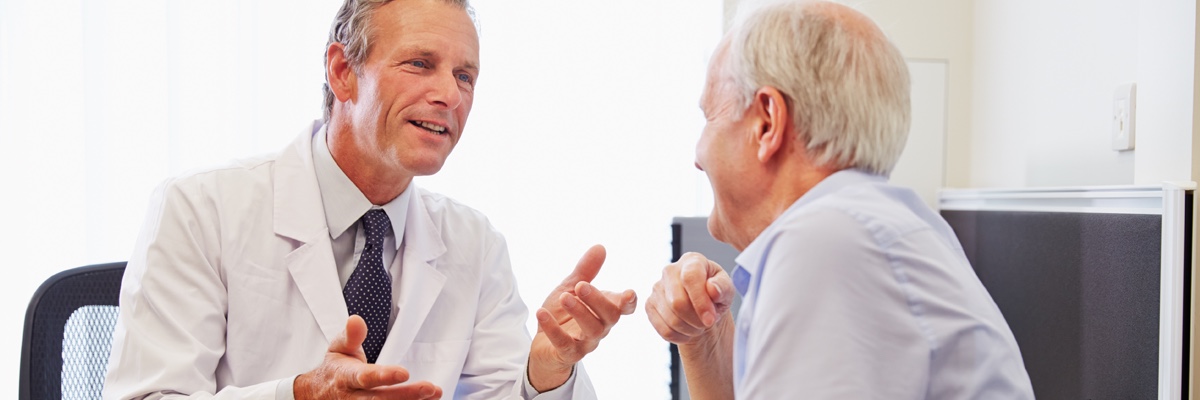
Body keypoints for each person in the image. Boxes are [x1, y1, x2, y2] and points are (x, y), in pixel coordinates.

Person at [102, 0, 637, 399]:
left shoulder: (474, 243)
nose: (450, 95)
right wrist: (299, 393)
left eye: (465, 75)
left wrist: (546, 370)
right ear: (342, 72)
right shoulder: (201, 209)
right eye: (420, 63)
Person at [644, 1, 1035, 399]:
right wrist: (705, 342)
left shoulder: (824, 243)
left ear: (767, 123)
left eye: (709, 117)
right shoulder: (873, 229)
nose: (697, 155)